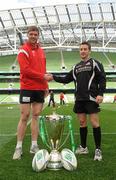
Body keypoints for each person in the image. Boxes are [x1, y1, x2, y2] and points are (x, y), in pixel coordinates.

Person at [44, 41, 106, 161]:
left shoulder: (95, 63)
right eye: (81, 49)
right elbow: (66, 79)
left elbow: (102, 78)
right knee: (82, 122)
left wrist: (100, 93)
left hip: (91, 98)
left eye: (85, 49)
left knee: (94, 123)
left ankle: (98, 149)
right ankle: (83, 147)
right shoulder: (76, 67)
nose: (82, 51)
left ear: (89, 51)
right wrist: (53, 77)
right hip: (79, 99)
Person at [13, 26, 48, 160]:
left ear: (38, 35)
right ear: (28, 35)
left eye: (35, 34)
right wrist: (43, 77)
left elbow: (43, 69)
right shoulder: (23, 50)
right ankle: (18, 147)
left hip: (39, 88)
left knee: (36, 115)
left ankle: (34, 145)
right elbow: (25, 70)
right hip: (27, 87)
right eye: (31, 34)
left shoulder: (41, 51)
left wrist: (46, 86)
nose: (33, 36)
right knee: (24, 116)